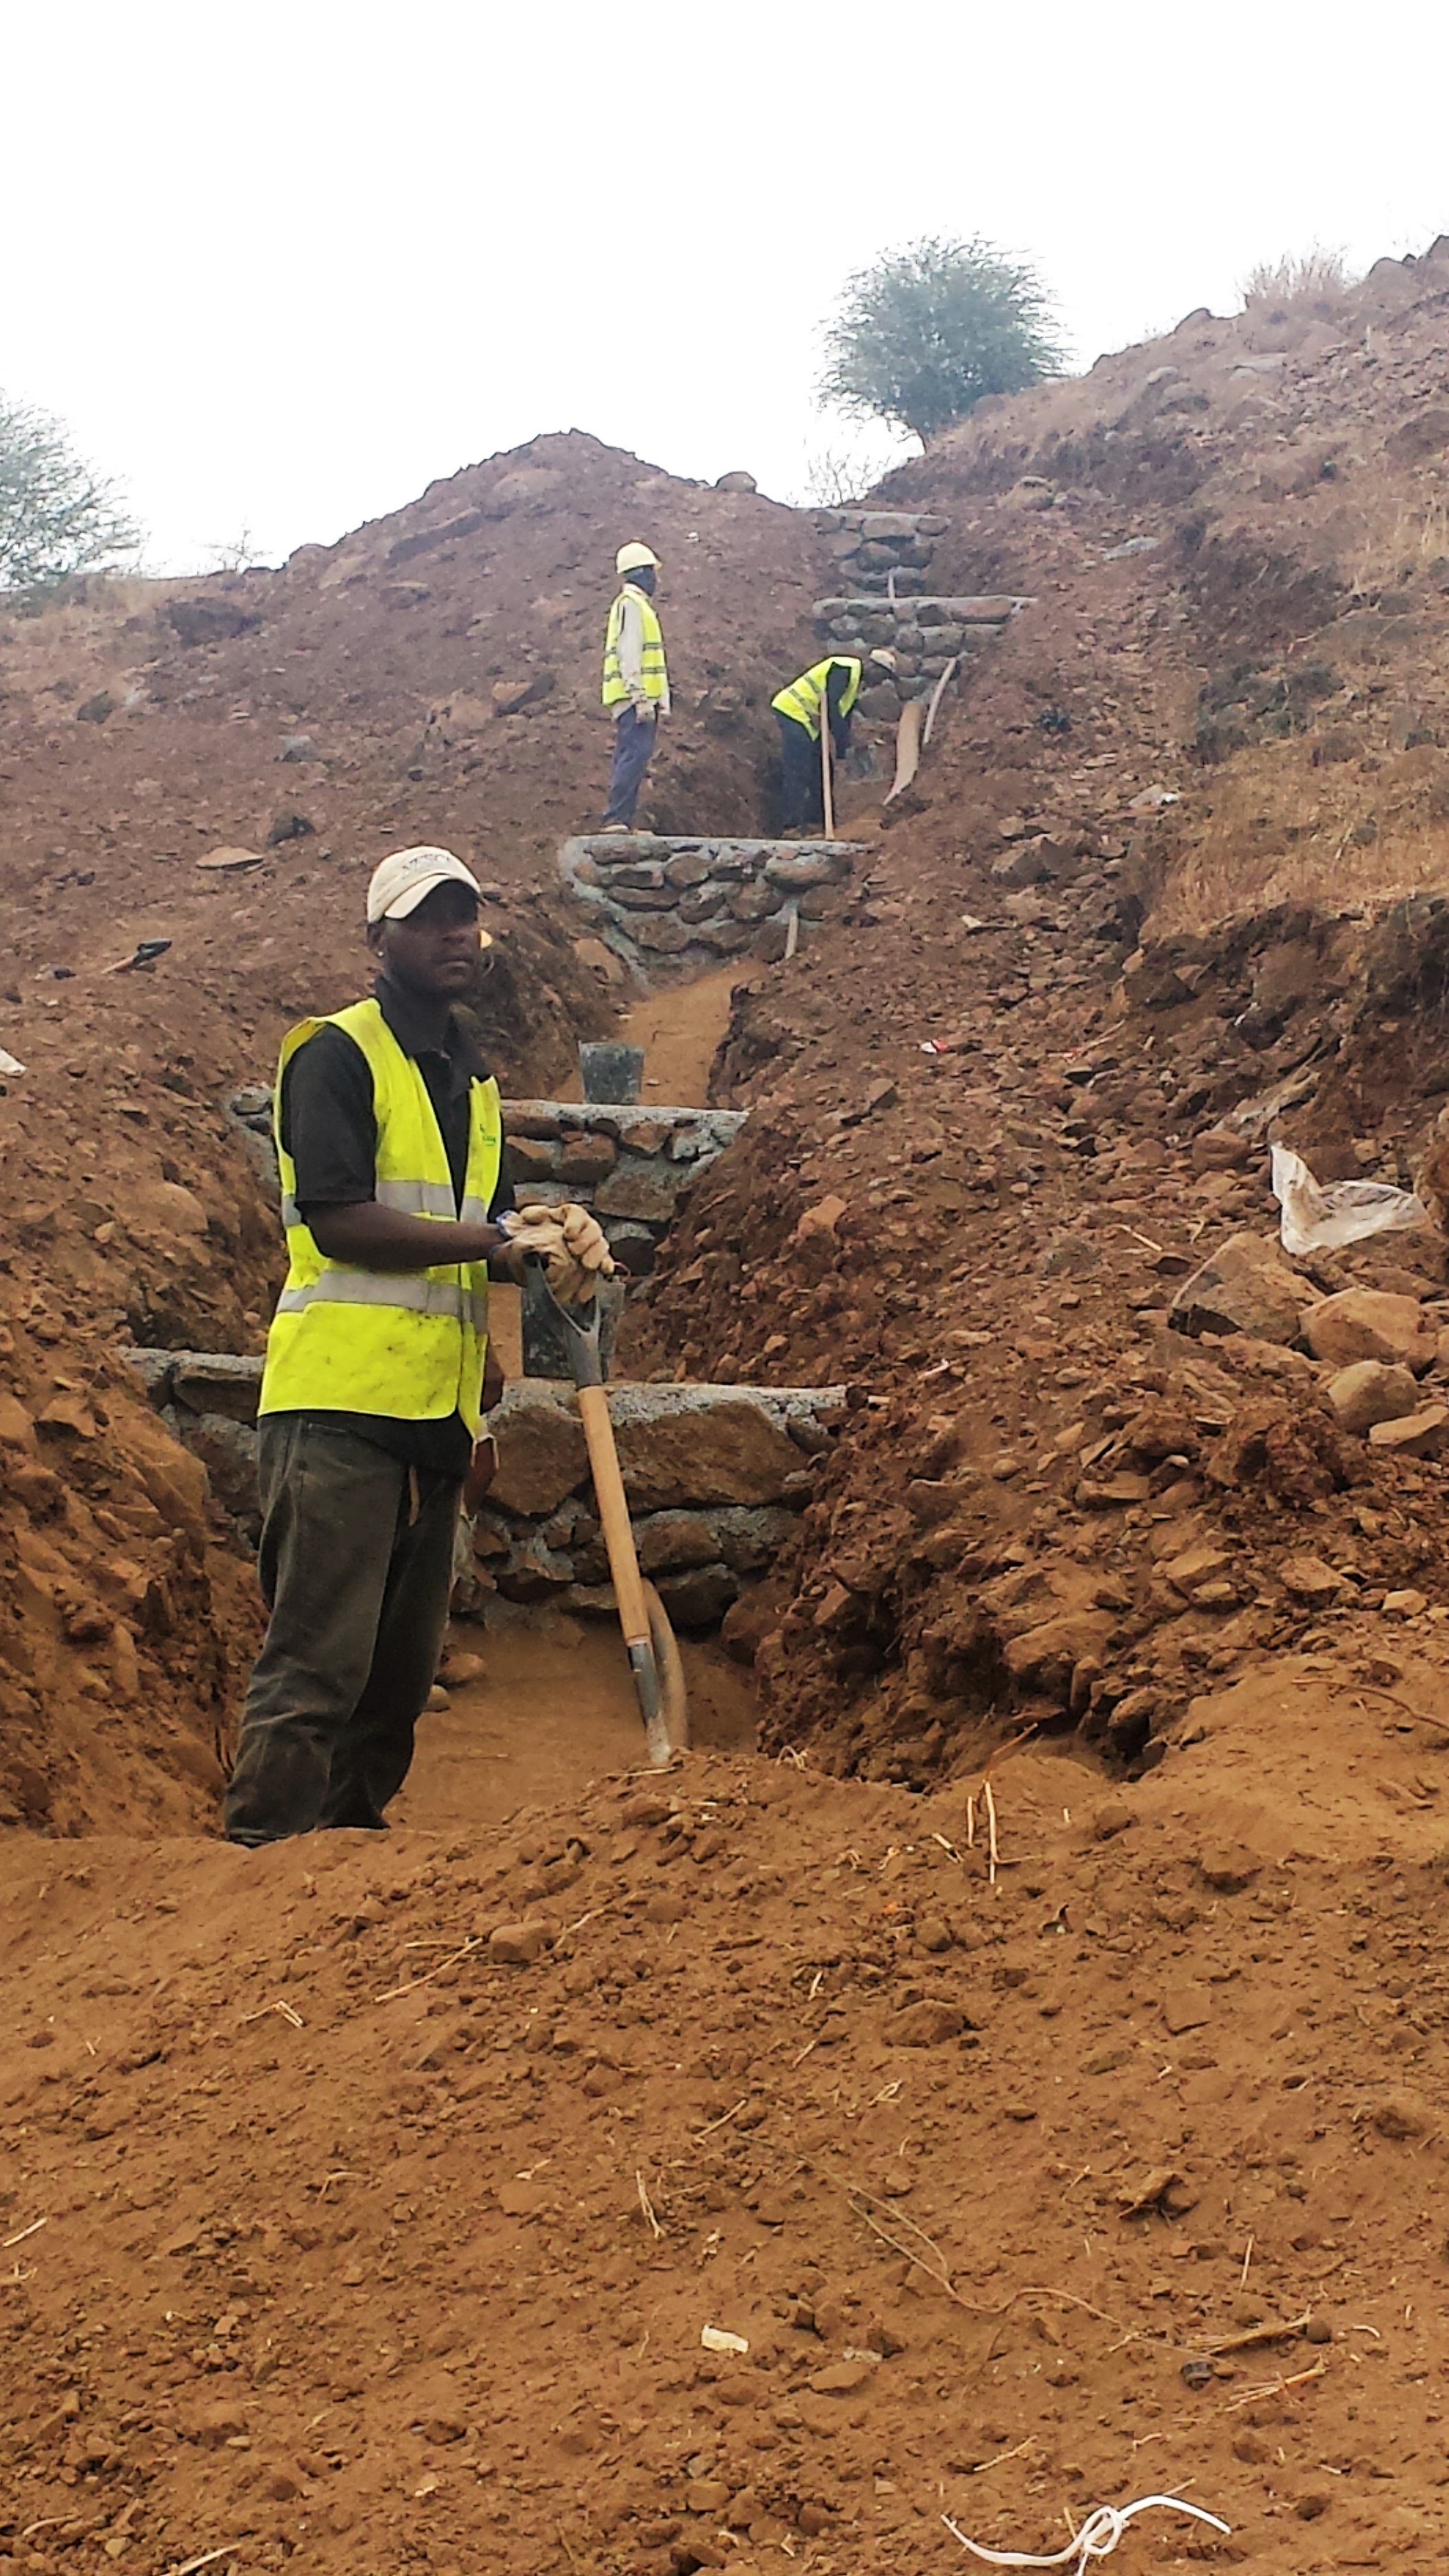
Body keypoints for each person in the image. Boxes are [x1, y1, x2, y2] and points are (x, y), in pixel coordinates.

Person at [223, 844, 612, 1846]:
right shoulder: (335, 1055)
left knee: (393, 1686)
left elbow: (485, 1225)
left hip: (434, 1413)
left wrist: (547, 1238)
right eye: (427, 918)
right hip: (338, 1407)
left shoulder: (470, 1080)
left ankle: (345, 1858)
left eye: (463, 916)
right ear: (378, 939)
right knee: (317, 1666)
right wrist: (495, 1242)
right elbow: (339, 1219)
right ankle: (258, 1868)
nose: (453, 935)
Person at [772, 648, 897, 833]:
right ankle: (791, 825)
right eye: (882, 675)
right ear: (873, 667)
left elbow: (844, 718)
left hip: (809, 721)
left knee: (822, 771)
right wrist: (839, 738)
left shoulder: (854, 683)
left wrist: (842, 749)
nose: (881, 682)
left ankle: (817, 821)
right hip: (792, 710)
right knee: (798, 768)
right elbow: (831, 707)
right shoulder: (843, 668)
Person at [601, 541, 670, 831]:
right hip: (633, 698)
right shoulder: (631, 605)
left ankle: (623, 819)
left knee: (633, 755)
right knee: (633, 755)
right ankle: (616, 818)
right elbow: (628, 652)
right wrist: (639, 696)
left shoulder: (637, 605)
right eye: (653, 572)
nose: (656, 579)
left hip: (637, 697)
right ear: (641, 573)